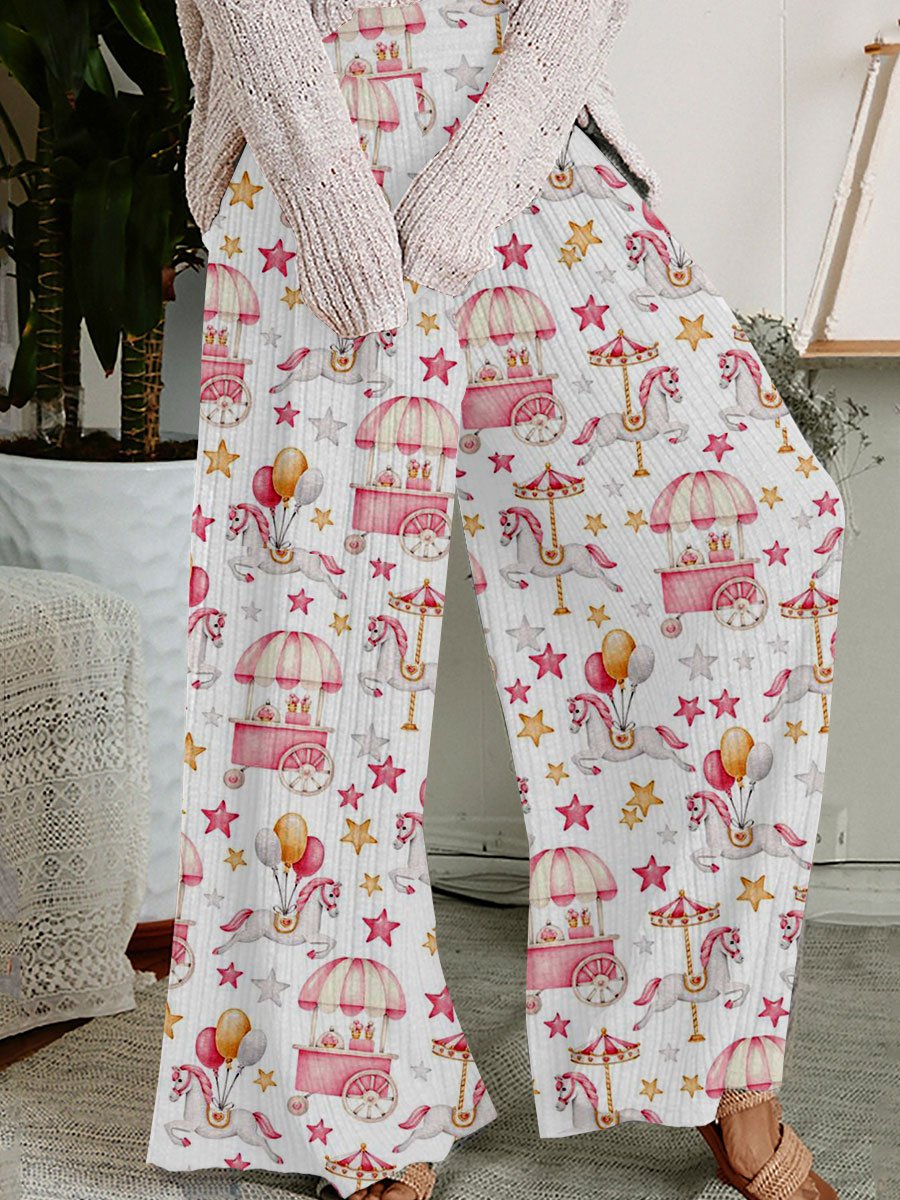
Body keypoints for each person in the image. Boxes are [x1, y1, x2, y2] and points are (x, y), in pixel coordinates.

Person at [146, 3, 843, 1199]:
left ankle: (706, 1047)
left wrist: (482, 173)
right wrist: (326, 186)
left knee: (766, 529)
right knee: (314, 661)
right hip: (308, 150)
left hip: (524, 136)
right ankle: (363, 1103)